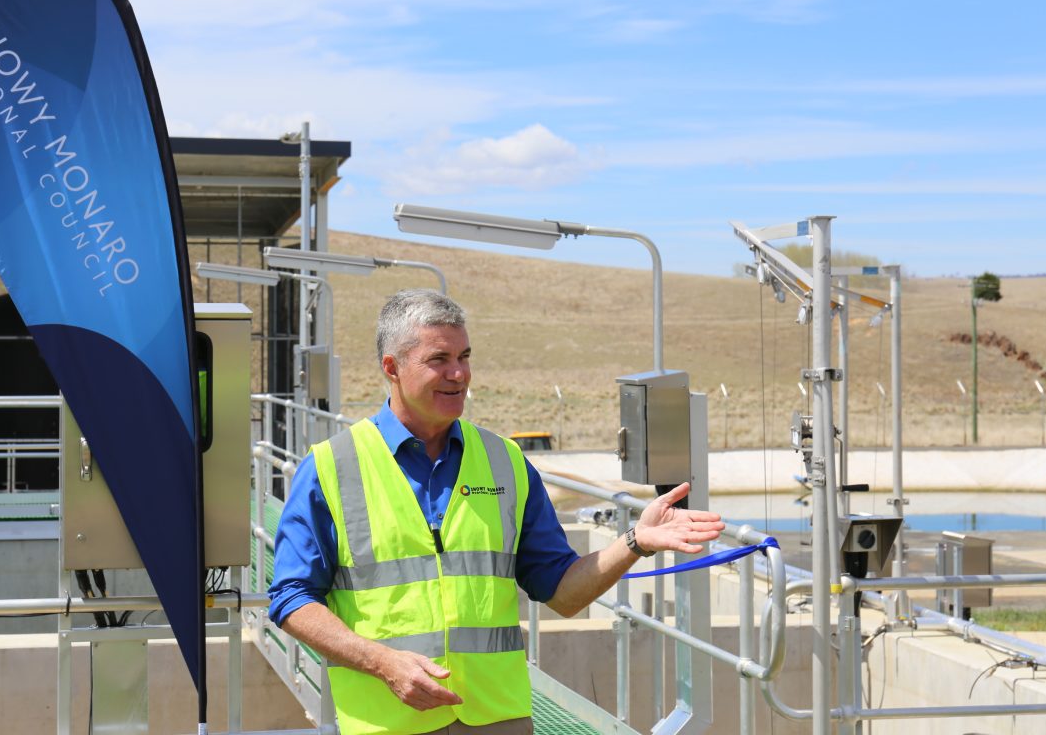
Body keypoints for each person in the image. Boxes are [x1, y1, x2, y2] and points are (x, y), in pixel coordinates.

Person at [268, 289, 724, 735]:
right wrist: (383, 663)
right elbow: (292, 599)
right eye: (439, 360)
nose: (459, 374)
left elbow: (563, 593)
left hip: (498, 719)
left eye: (464, 357)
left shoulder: (506, 462)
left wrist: (634, 543)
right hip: (387, 722)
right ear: (392, 368)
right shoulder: (331, 467)